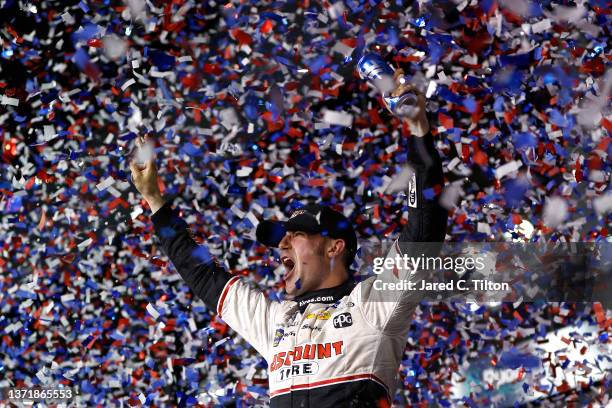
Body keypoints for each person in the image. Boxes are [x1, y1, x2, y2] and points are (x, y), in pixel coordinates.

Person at [129, 70, 448, 407]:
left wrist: (418, 131)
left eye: (295, 235)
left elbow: (423, 234)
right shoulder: (276, 319)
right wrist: (154, 203)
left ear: (333, 247)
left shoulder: (371, 303)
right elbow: (202, 275)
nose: (281, 245)